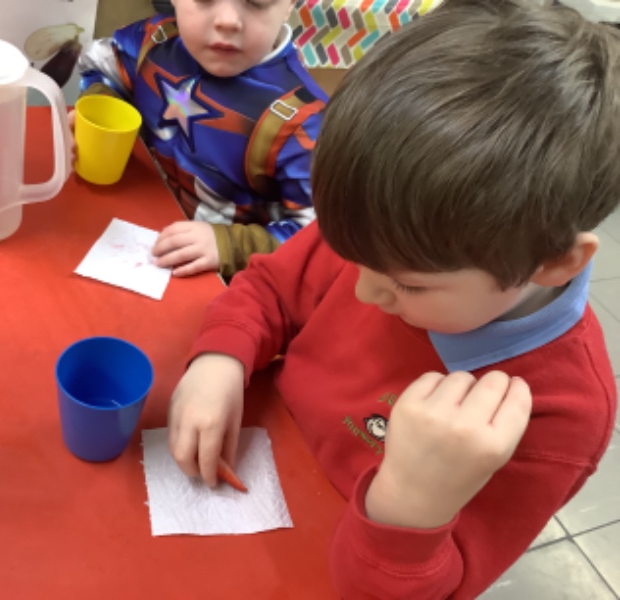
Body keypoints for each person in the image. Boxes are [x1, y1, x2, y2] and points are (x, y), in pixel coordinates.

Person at [166, 0, 620, 597]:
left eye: (409, 285)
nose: (361, 290)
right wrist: (219, 360)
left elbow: (435, 586)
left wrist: (411, 503)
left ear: (554, 263)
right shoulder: (383, 236)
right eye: (351, 257)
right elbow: (272, 287)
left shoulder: (561, 412)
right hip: (250, 485)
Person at [75, 0, 327, 279]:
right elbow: (100, 62)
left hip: (220, 281)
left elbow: (321, 240)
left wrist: (232, 246)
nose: (227, 21)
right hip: (123, 227)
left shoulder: (305, 122)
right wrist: (101, 106)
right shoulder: (154, 40)